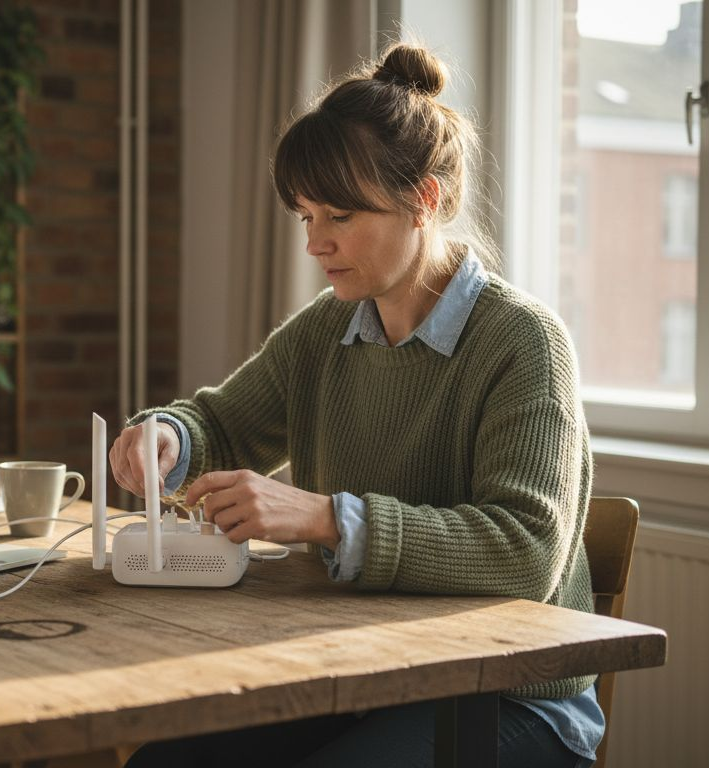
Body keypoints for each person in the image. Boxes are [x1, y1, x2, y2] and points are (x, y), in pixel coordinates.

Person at [112, 44, 602, 768]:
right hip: (367, 672)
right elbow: (223, 424)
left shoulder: (523, 343)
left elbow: (526, 552)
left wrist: (322, 517)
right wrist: (168, 437)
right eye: (306, 216)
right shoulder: (327, 329)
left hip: (510, 697)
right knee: (166, 762)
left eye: (338, 214)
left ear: (423, 200)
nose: (315, 242)